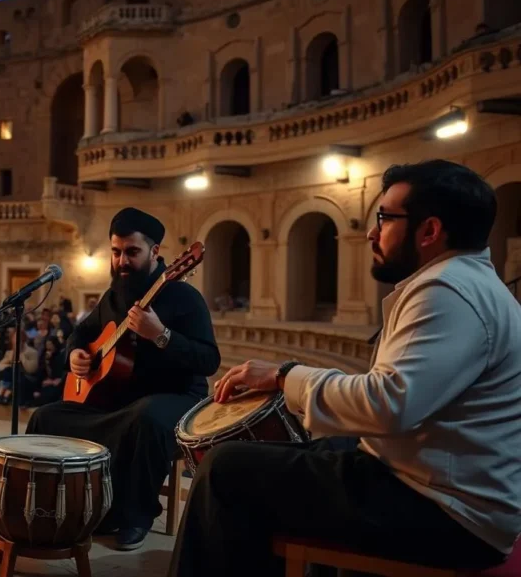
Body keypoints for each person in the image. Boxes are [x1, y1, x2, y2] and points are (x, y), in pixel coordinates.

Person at [169, 160, 521, 576]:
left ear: (429, 231)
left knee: (226, 469)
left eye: (385, 218)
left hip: (445, 511)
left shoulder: (447, 291)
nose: (372, 232)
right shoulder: (469, 282)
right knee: (288, 453)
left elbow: (389, 403)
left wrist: (283, 376)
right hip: (433, 485)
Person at [26, 207, 221, 551]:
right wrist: (75, 355)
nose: (121, 261)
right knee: (46, 416)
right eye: (115, 252)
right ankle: (46, 506)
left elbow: (209, 360)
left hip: (175, 399)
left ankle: (133, 517)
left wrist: (162, 335)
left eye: (132, 252)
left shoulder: (183, 297)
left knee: (144, 418)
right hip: (117, 402)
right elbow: (79, 335)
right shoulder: (113, 297)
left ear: (155, 252)